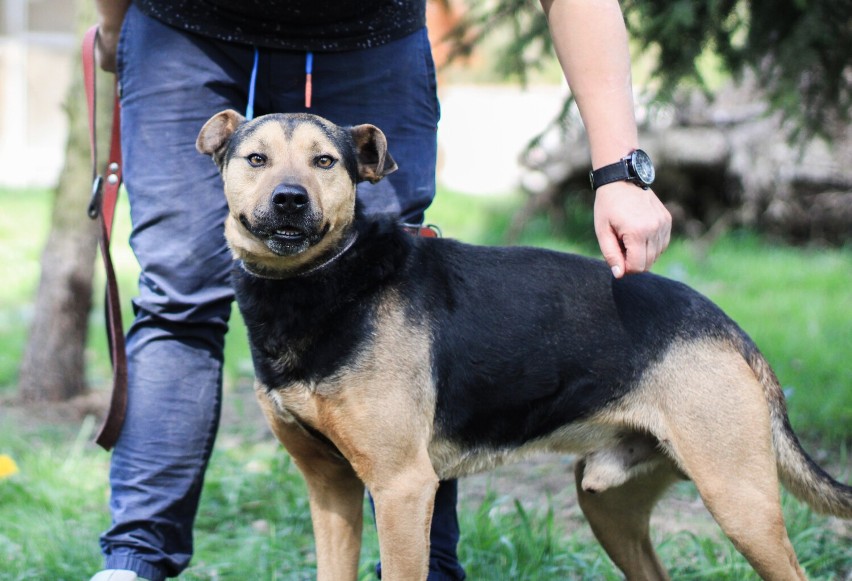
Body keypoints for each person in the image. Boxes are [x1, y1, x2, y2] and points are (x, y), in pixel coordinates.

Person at [90, 1, 671, 580]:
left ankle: (430, 566)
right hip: (183, 31)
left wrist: (620, 171)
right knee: (177, 293)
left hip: (369, 34)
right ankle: (134, 563)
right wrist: (116, 26)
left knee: (403, 281)